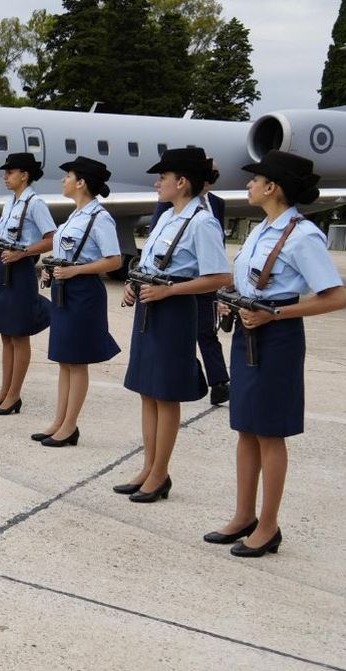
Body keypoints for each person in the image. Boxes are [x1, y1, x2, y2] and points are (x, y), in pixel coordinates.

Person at [204, 150, 345, 557]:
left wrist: (275, 314)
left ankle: (269, 525)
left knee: (270, 433)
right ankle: (243, 515)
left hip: (277, 338)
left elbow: (333, 298)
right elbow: (248, 281)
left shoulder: (302, 235)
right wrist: (233, 299)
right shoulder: (260, 229)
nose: (248, 184)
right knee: (246, 428)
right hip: (248, 332)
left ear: (273, 187)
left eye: (255, 179)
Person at [117, 147, 231, 502]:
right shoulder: (167, 217)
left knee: (165, 395)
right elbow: (153, 264)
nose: (157, 184)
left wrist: (171, 292)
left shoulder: (202, 222)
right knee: (147, 391)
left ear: (182, 182)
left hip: (176, 312)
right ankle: (148, 467)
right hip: (151, 309)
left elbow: (219, 277)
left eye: (163, 178)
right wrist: (134, 284)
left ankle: (161, 473)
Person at [33, 157, 122, 447]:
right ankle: (59, 421)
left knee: (77, 361)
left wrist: (75, 270)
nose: (63, 181)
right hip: (65, 289)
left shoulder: (100, 217)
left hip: (84, 293)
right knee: (64, 359)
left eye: (68, 176)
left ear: (81, 182)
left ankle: (70, 426)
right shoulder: (75, 216)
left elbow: (114, 260)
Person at [0, 152, 57, 416]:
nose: (5, 177)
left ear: (24, 175)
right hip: (4, 268)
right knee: (5, 334)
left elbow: (51, 238)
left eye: (10, 172)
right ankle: (4, 391)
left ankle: (14, 395)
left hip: (22, 270)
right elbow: (4, 237)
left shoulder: (34, 203)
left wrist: (24, 252)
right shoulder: (12, 203)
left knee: (19, 334)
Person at [151, 161, 230, 405]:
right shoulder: (167, 209)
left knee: (206, 332)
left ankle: (218, 382)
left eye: (213, 175)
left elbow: (217, 248)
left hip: (202, 280)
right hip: (172, 284)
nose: (209, 179)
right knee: (181, 339)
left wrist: (219, 288)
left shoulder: (215, 206)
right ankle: (192, 373)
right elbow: (158, 240)